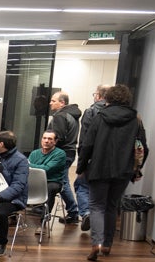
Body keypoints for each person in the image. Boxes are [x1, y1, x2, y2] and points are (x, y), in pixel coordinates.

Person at [77, 84, 149, 261]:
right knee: (111, 206)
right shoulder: (136, 119)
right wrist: (136, 168)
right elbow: (142, 148)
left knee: (96, 206)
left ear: (107, 98)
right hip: (123, 170)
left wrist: (81, 167)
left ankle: (96, 243)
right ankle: (107, 244)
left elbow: (87, 144)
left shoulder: (100, 117)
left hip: (99, 168)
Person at [0, 130, 29, 257]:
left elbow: (18, 185)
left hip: (14, 199)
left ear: (1, 144)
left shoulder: (21, 160)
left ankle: (1, 243)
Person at [76, 84, 109, 232]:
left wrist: (81, 164)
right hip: (114, 164)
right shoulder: (126, 114)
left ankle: (87, 213)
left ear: (99, 95)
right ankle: (104, 232)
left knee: (82, 186)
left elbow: (85, 140)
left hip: (92, 160)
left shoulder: (91, 111)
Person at [48, 91, 81, 224]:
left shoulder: (60, 116)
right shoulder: (70, 115)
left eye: (53, 101)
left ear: (62, 103)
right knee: (62, 181)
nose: (50, 103)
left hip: (62, 153)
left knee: (62, 183)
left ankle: (73, 212)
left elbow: (58, 137)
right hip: (69, 152)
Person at [27, 130, 66, 215]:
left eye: (50, 139)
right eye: (44, 138)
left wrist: (29, 165)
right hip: (34, 181)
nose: (46, 141)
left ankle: (45, 215)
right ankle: (13, 215)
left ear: (55, 141)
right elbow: (27, 169)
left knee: (50, 188)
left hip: (52, 181)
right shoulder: (35, 153)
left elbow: (46, 169)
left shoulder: (60, 154)